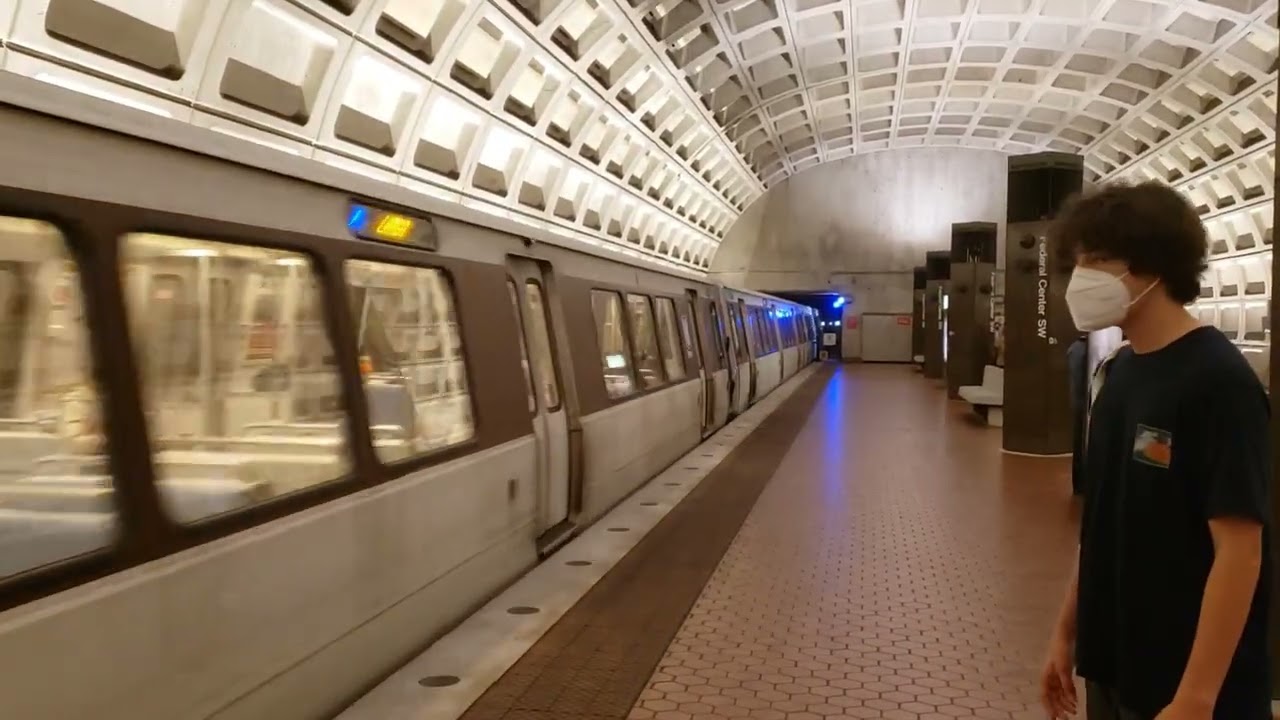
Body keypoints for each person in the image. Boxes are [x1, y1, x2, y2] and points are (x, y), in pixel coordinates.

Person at [1039, 180, 1272, 720]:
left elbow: (1240, 553)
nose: (1082, 279)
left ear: (1154, 265)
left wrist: (1197, 696)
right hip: (1116, 667)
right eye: (1078, 262)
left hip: (1186, 686)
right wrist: (1066, 633)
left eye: (1098, 261)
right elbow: (1103, 524)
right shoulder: (1118, 373)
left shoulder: (1219, 382)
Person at [1065, 333, 1089, 496]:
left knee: (1077, 443)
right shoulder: (1085, 351)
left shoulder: (1074, 349)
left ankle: (1078, 484)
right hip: (1083, 402)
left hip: (1076, 401)